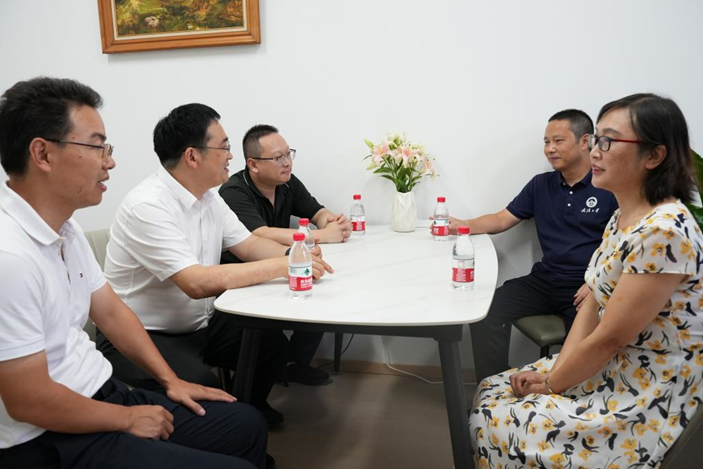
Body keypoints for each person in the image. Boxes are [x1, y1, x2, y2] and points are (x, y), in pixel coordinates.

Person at [0, 77, 268, 469]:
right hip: (47, 435)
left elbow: (110, 311)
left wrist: (170, 381)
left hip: (99, 389)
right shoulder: (10, 256)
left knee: (246, 424)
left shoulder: (65, 229)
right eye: (97, 147)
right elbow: (29, 401)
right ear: (42, 153)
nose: (109, 162)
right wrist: (125, 419)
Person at [470, 93, 703, 468]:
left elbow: (610, 338)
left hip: (648, 383)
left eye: (607, 141)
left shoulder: (664, 230)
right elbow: (593, 303)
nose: (595, 151)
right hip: (614, 360)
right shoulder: (622, 216)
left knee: (503, 422)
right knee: (491, 391)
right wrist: (556, 375)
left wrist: (553, 385)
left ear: (654, 156)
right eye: (596, 139)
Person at [96, 105, 332, 428]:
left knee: (271, 343)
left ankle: (248, 414)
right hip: (143, 334)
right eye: (224, 147)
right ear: (193, 156)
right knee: (207, 392)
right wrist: (284, 265)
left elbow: (248, 245)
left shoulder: (210, 198)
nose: (231, 156)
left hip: (201, 324)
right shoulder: (148, 205)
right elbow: (196, 283)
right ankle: (233, 426)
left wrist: (298, 257)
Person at [443, 109, 618, 382]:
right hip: (546, 279)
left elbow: (624, 244)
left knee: (581, 347)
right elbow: (502, 219)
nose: (550, 149)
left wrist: (597, 282)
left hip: (585, 286)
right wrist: (463, 225)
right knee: (488, 312)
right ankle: (493, 388)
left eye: (558, 141)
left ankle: (563, 395)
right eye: (546, 142)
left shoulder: (608, 186)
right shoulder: (541, 185)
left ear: (585, 141)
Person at [219, 124, 351, 386]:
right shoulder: (233, 192)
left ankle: (294, 365)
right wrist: (322, 236)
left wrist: (333, 222)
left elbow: (317, 212)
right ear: (253, 165)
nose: (287, 163)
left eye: (288, 154)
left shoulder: (287, 182)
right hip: (245, 277)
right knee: (270, 332)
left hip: (283, 265)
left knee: (320, 295)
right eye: (278, 158)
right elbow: (259, 234)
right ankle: (275, 370)